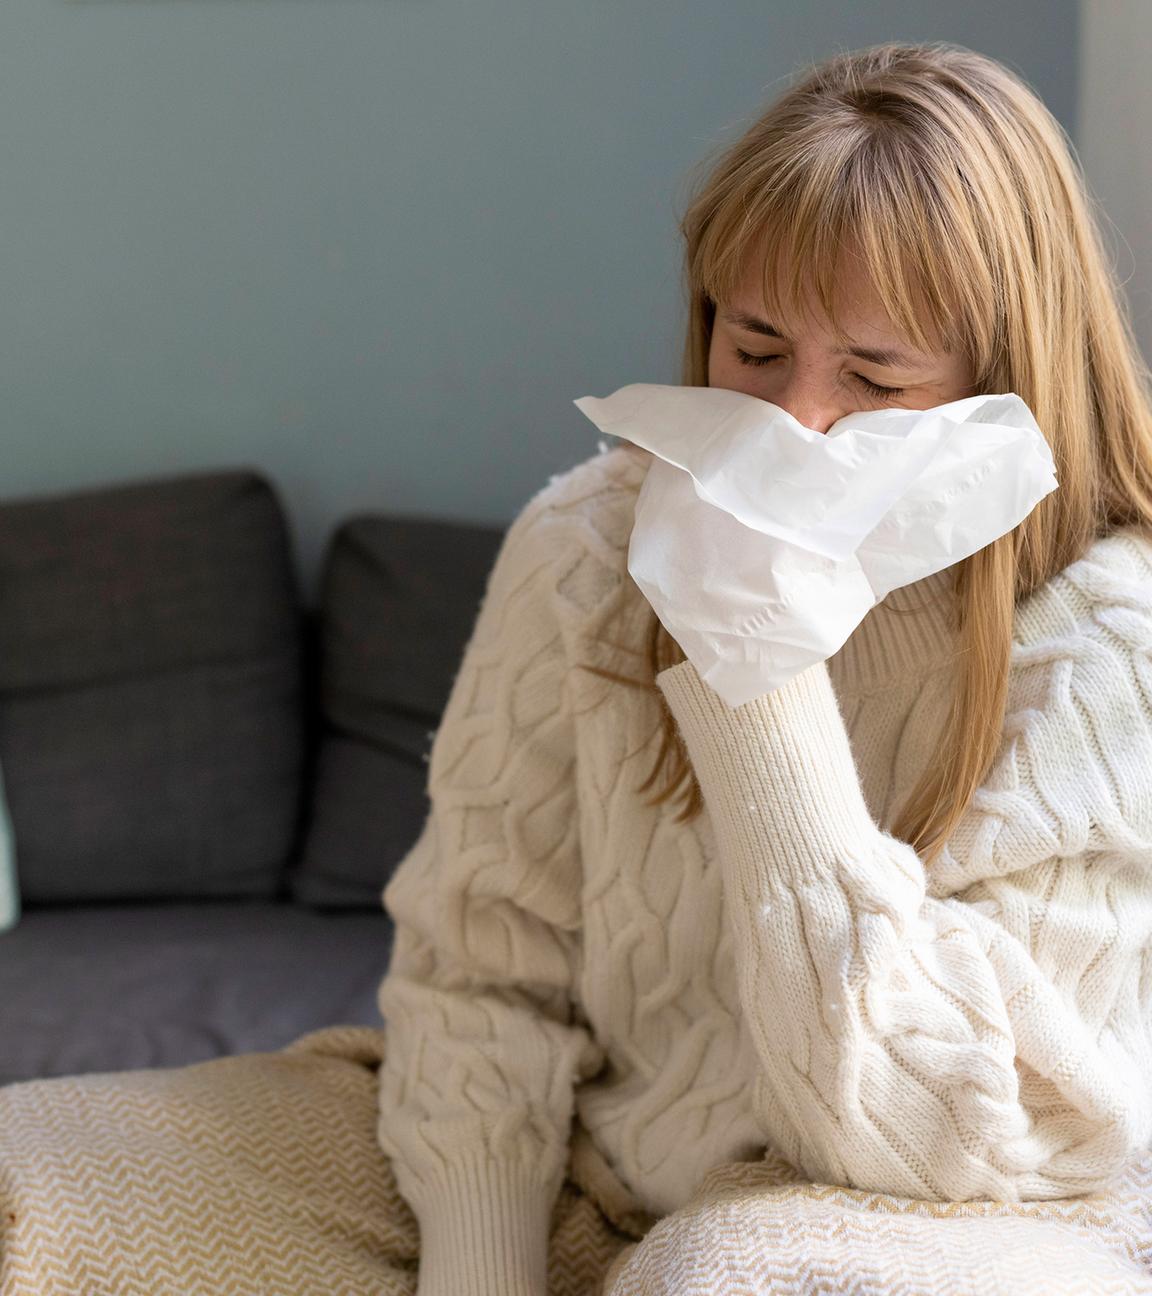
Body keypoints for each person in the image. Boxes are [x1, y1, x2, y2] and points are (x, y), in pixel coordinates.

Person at [5, 36, 1152, 1296]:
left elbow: (924, 1137)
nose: (790, 425)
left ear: (1001, 375)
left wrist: (754, 662)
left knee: (719, 1275)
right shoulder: (590, 542)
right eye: (756, 348)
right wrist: (480, 1266)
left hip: (959, 1209)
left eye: (875, 377)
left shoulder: (1106, 639)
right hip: (596, 1172)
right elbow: (477, 970)